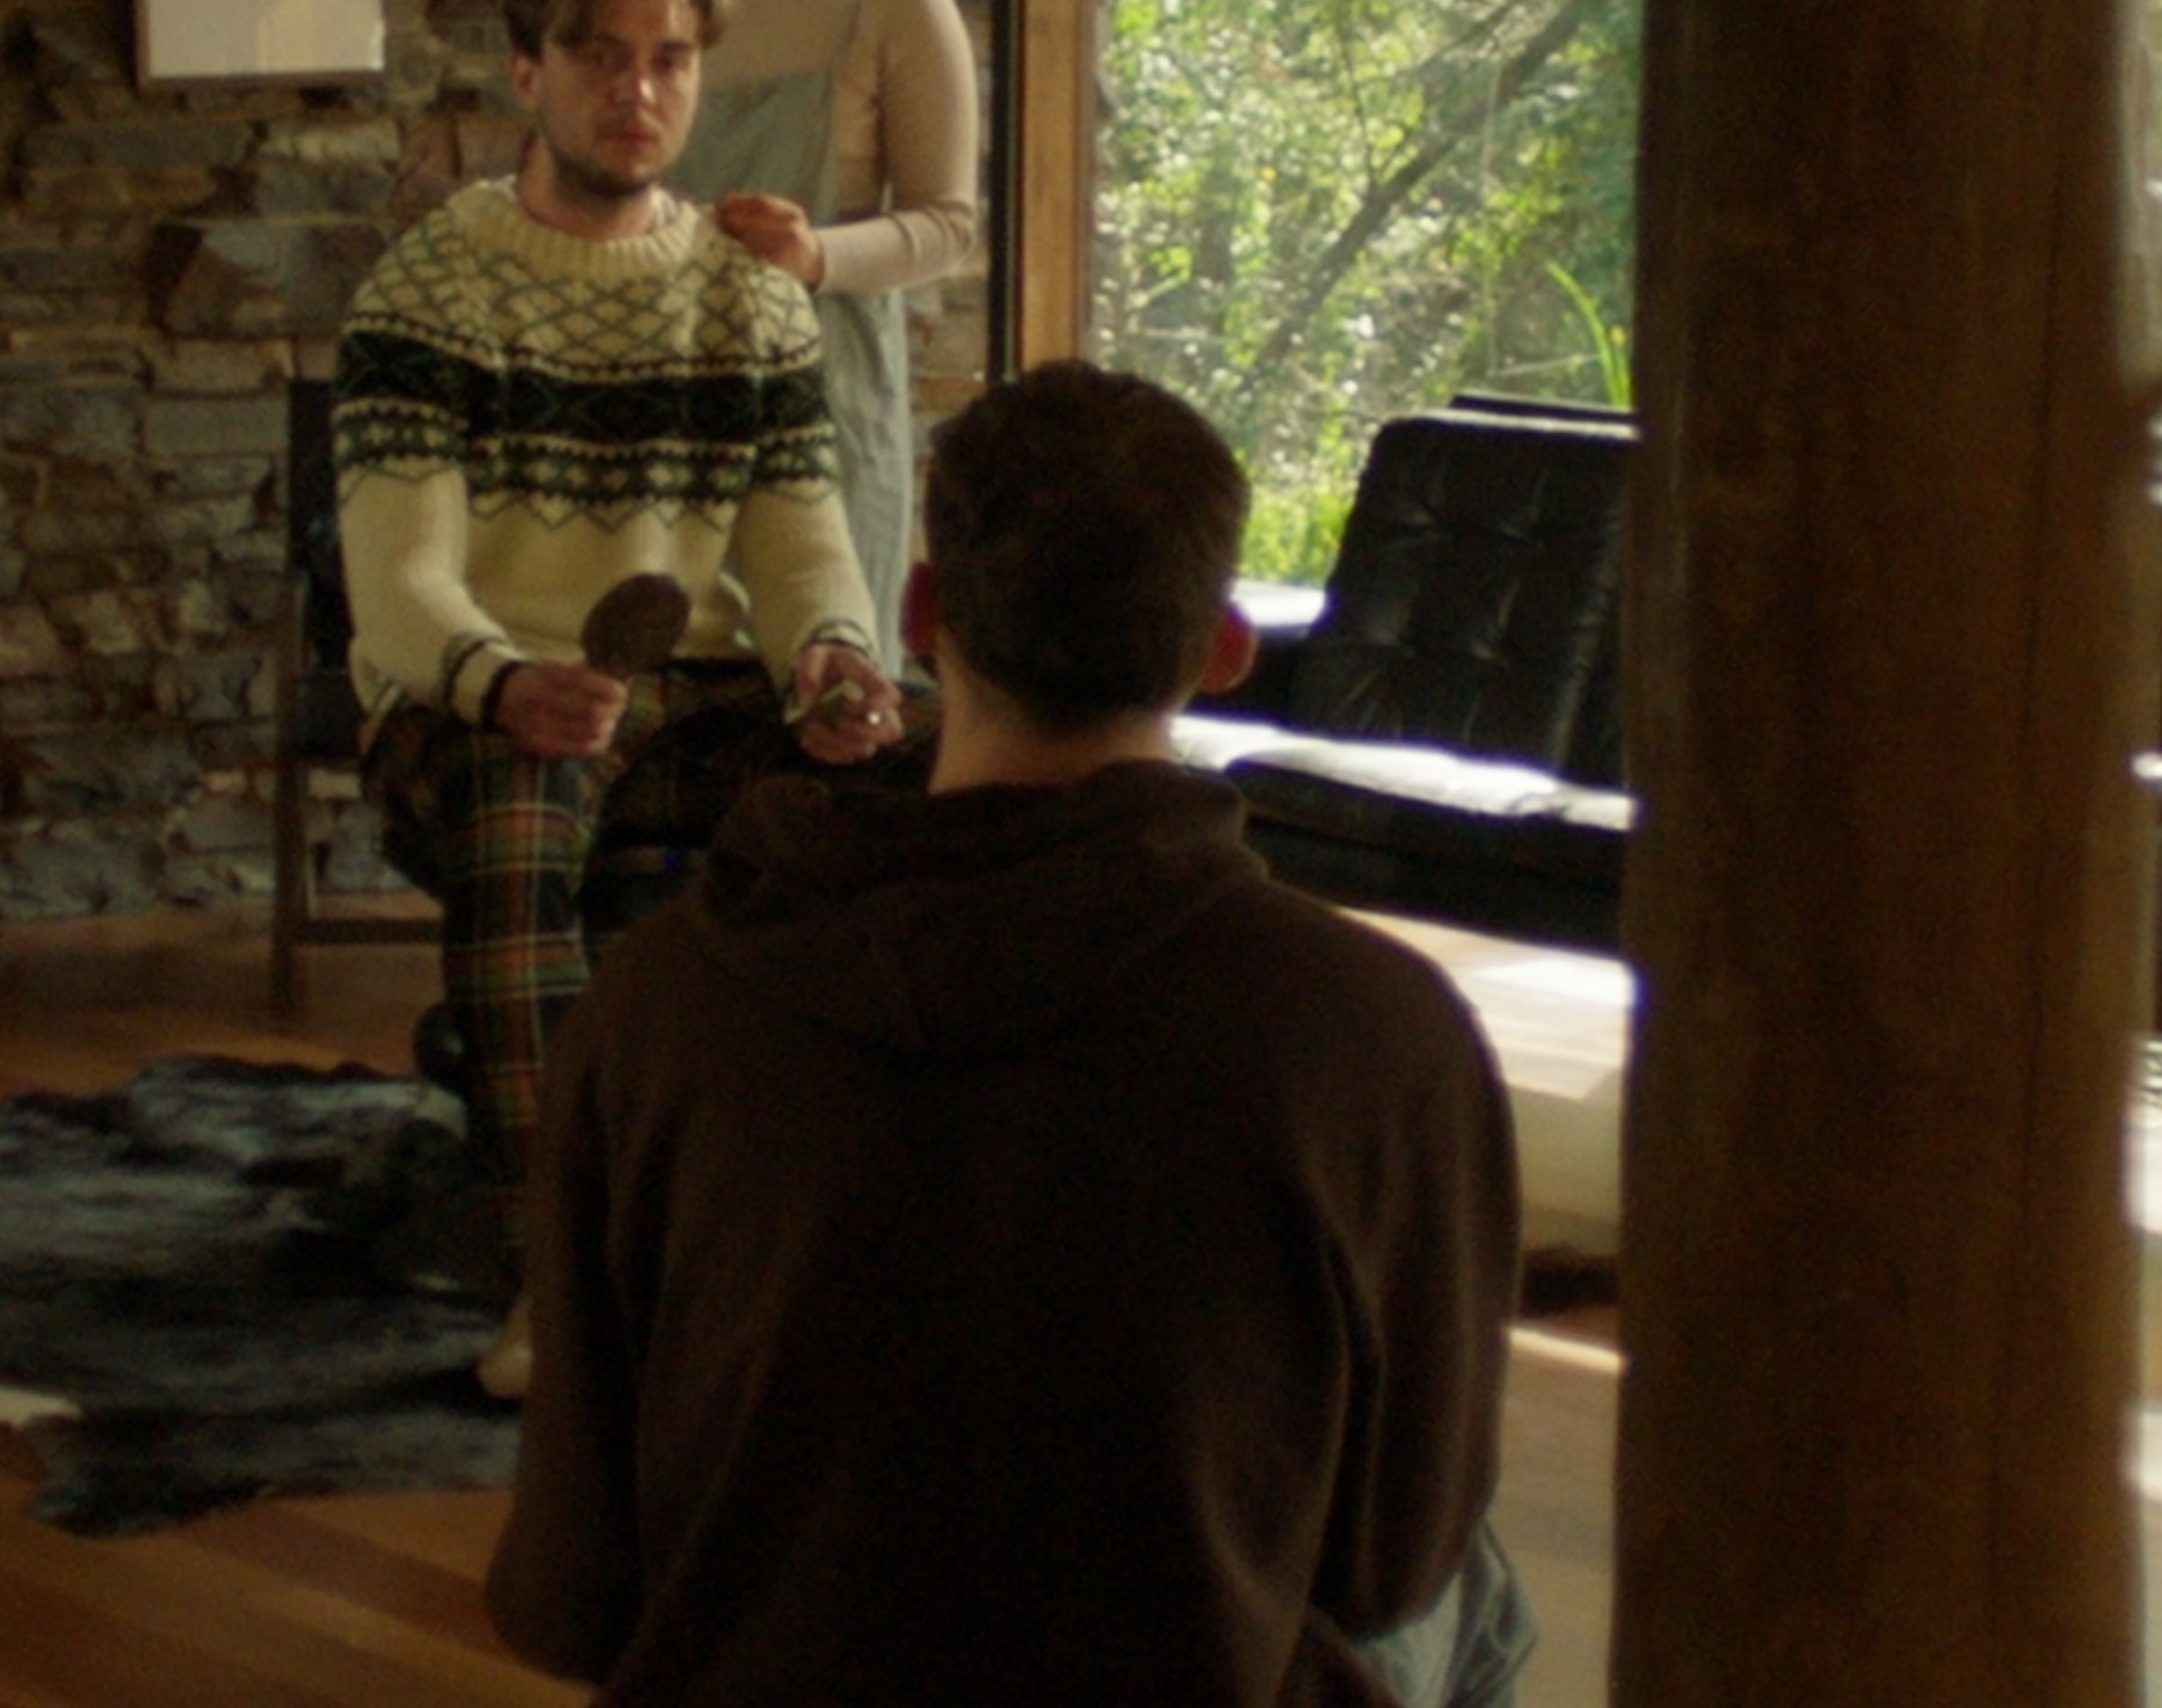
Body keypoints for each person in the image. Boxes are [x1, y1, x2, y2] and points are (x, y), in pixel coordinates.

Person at [485, 362, 1533, 1708]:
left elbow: (569, 1601)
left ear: (926, 617)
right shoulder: (1381, 1038)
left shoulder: (660, 1003)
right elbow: (1392, 1562)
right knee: (1480, 1593)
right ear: (1223, 648)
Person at [334, 0, 906, 1400]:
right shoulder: (427, 290)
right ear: (528, 72)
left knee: (934, 785)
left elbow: (800, 547)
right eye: (600, 56)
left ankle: (872, 1252)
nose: (636, 91)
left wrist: (838, 668)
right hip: (475, 702)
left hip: (698, 700)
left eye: (668, 60)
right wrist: (504, 681)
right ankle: (559, 1287)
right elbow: (398, 583)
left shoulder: (754, 299)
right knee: (525, 820)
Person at [639, 0, 981, 662]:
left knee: (825, 707)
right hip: (657, 407)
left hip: (823, 410)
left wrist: (816, 254)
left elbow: (948, 223)